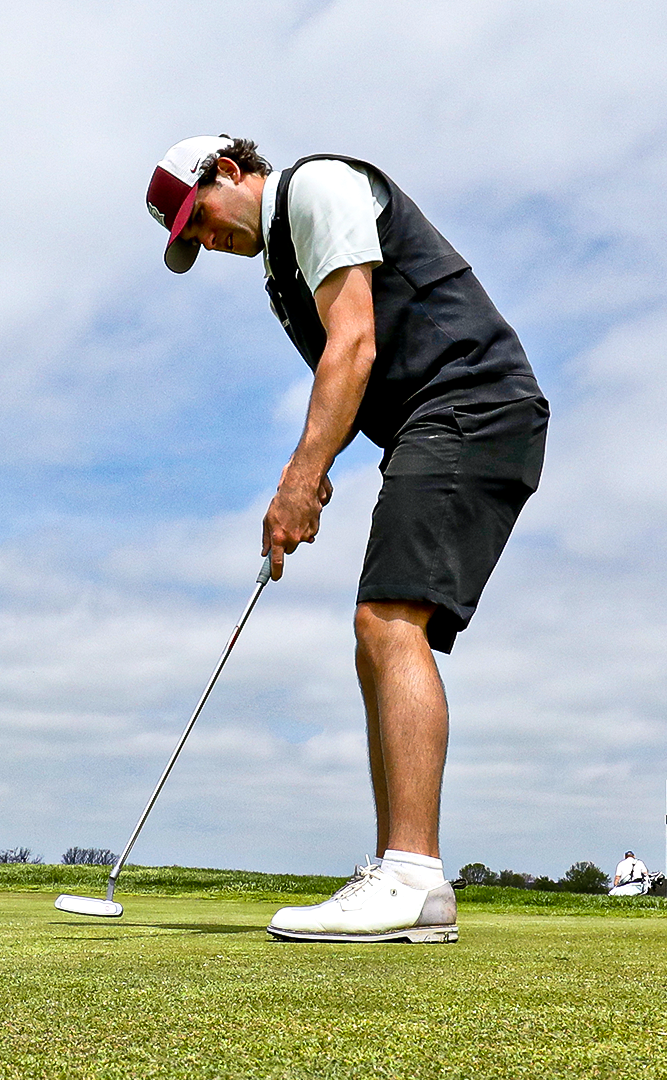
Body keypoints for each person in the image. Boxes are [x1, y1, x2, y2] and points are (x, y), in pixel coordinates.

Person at [147, 136, 549, 943]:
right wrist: (319, 461)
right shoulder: (280, 274)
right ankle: (413, 882)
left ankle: (408, 872)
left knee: (387, 620)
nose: (205, 240)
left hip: (470, 402)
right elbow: (352, 371)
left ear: (227, 170)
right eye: (191, 241)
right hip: (438, 421)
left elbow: (355, 344)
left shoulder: (318, 189)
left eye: (200, 219)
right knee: (381, 629)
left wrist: (301, 475)